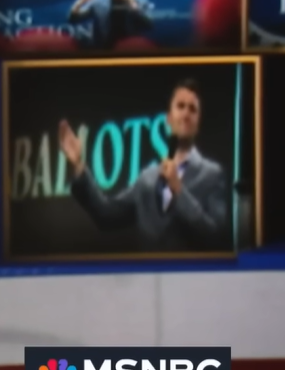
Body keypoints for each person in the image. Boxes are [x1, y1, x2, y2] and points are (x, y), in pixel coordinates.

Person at [57, 79, 231, 253]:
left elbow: (215, 236)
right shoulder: (147, 178)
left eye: (192, 109)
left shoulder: (213, 175)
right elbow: (106, 215)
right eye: (180, 106)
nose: (186, 113)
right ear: (169, 119)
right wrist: (78, 164)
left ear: (198, 123)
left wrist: (179, 190)